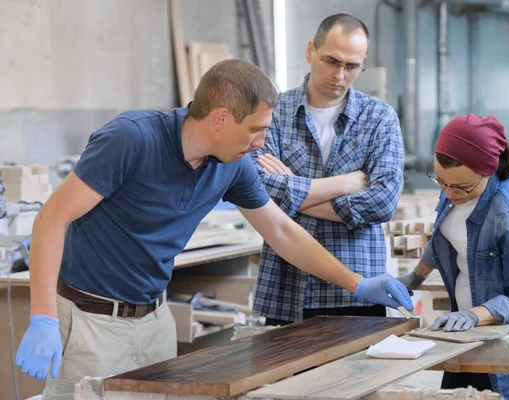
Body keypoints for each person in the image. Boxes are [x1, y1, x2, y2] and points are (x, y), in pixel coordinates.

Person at [14, 59, 413, 399]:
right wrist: (44, 317)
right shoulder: (131, 139)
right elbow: (52, 219)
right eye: (255, 129)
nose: (260, 143)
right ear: (221, 118)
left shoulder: (232, 165)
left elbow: (282, 231)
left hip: (155, 320)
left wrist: (357, 283)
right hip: (88, 322)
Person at [251, 14, 406, 325]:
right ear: (310, 50)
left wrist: (293, 187)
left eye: (351, 66)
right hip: (287, 290)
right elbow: (259, 191)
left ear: (363, 63)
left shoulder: (379, 118)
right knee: (287, 376)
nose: (339, 74)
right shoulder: (273, 113)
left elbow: (383, 203)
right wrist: (345, 184)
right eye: (331, 61)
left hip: (358, 290)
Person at [398, 113, 509, 400]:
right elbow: (443, 239)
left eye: (459, 187)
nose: (448, 194)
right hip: (466, 328)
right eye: (441, 182)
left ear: (488, 170)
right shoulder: (455, 183)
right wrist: (415, 276)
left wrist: (474, 315)